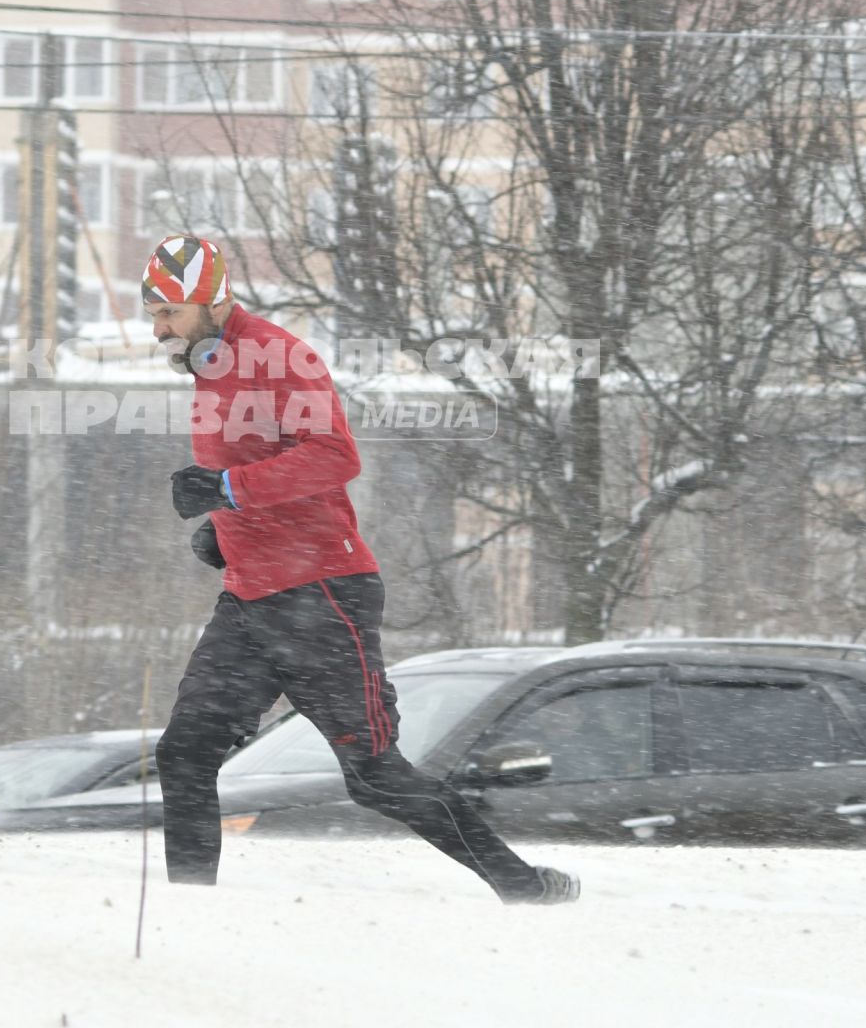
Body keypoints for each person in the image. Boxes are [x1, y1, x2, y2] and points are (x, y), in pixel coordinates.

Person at [143, 234, 579, 905]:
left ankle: (523, 887)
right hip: (251, 599)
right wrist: (224, 530)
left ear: (214, 301)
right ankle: (189, 916)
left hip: (321, 598)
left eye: (170, 312)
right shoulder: (209, 366)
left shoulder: (279, 357)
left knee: (374, 776)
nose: (158, 327)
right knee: (185, 753)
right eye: (154, 312)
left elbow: (335, 458)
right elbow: (264, 462)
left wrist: (228, 491)